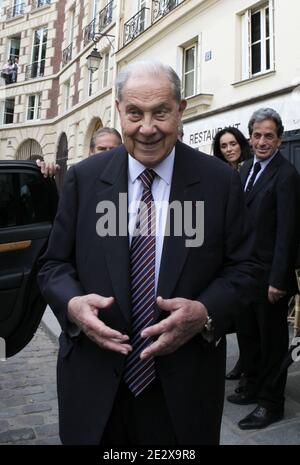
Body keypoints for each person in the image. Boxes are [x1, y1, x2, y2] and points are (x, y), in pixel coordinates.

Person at [38, 60, 261, 445]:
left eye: (160, 112)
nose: (147, 128)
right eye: (135, 113)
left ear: (180, 109)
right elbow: (53, 265)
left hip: (183, 391)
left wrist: (206, 313)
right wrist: (73, 305)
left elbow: (248, 268)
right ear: (118, 109)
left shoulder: (219, 181)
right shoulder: (84, 179)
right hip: (94, 387)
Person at [227, 108, 300, 430]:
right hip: (244, 273)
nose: (262, 141)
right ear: (250, 137)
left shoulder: (286, 175)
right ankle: (253, 387)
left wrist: (278, 279)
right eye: (257, 135)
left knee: (272, 344)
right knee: (249, 337)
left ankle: (272, 403)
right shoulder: (244, 170)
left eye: (269, 135)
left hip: (270, 277)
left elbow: (288, 232)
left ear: (280, 140)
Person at [212, 127, 253, 380]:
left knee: (249, 320)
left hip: (247, 250)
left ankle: (248, 365)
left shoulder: (249, 170)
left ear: (241, 144)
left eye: (232, 144)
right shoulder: (218, 174)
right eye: (224, 145)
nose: (229, 149)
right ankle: (243, 363)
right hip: (225, 250)